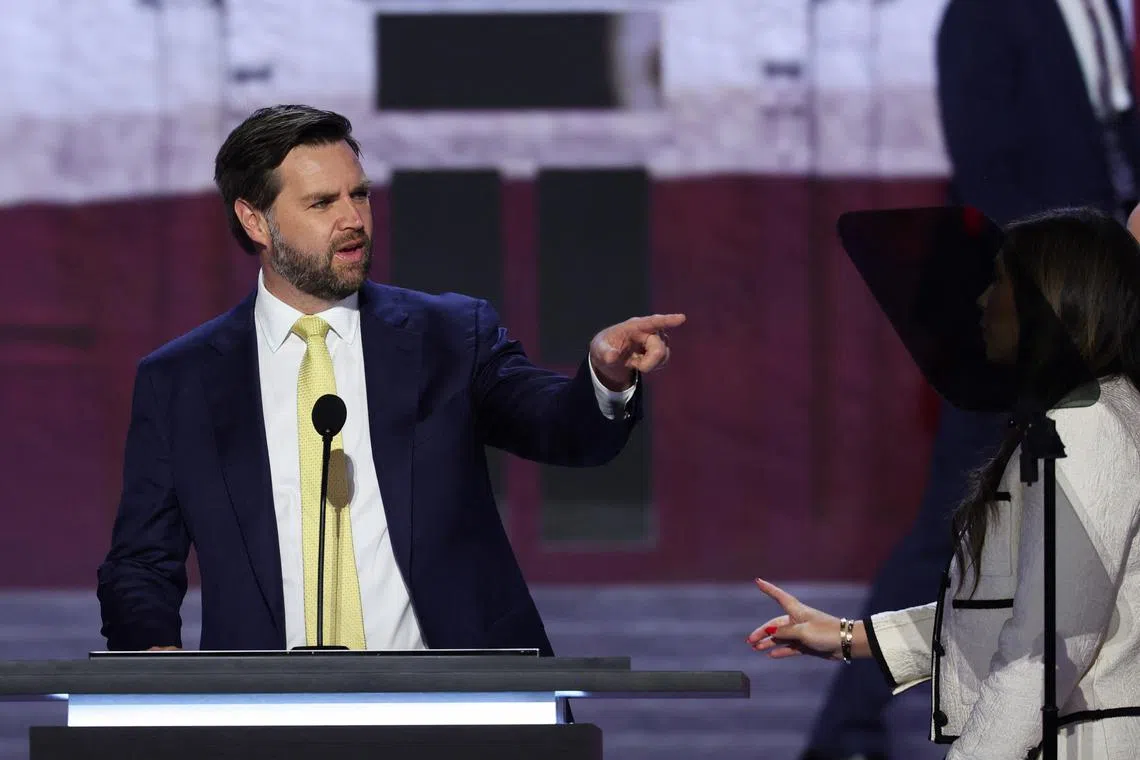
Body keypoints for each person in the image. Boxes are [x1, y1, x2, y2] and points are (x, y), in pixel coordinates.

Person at [96, 104, 685, 653]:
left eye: (360, 195)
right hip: (271, 717)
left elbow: (563, 430)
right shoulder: (182, 380)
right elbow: (141, 562)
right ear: (255, 220)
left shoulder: (451, 336)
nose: (354, 219)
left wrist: (605, 376)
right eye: (323, 203)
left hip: (457, 706)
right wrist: (157, 662)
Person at [801, 2, 1140, 757]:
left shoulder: (1108, 12)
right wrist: (1068, 294)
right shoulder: (986, 12)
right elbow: (989, 174)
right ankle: (846, 731)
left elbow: (1114, 142)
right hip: (1037, 317)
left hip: (1110, 310)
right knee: (960, 521)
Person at [750, 207, 1140, 759]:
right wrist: (846, 637)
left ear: (1052, 301)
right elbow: (1023, 611)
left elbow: (1043, 651)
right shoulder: (1088, 415)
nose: (982, 301)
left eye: (1000, 282)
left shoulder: (1087, 425)